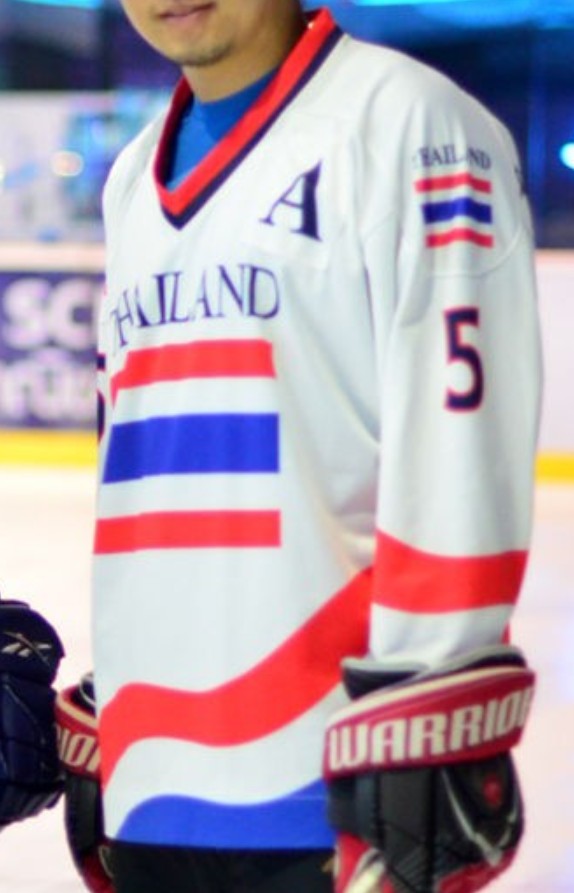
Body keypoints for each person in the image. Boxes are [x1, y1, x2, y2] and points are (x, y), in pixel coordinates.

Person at [58, 2, 542, 891]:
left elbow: (459, 459)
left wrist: (429, 728)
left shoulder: (408, 122)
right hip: (150, 790)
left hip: (333, 791)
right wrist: (111, 696)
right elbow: (139, 463)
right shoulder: (131, 178)